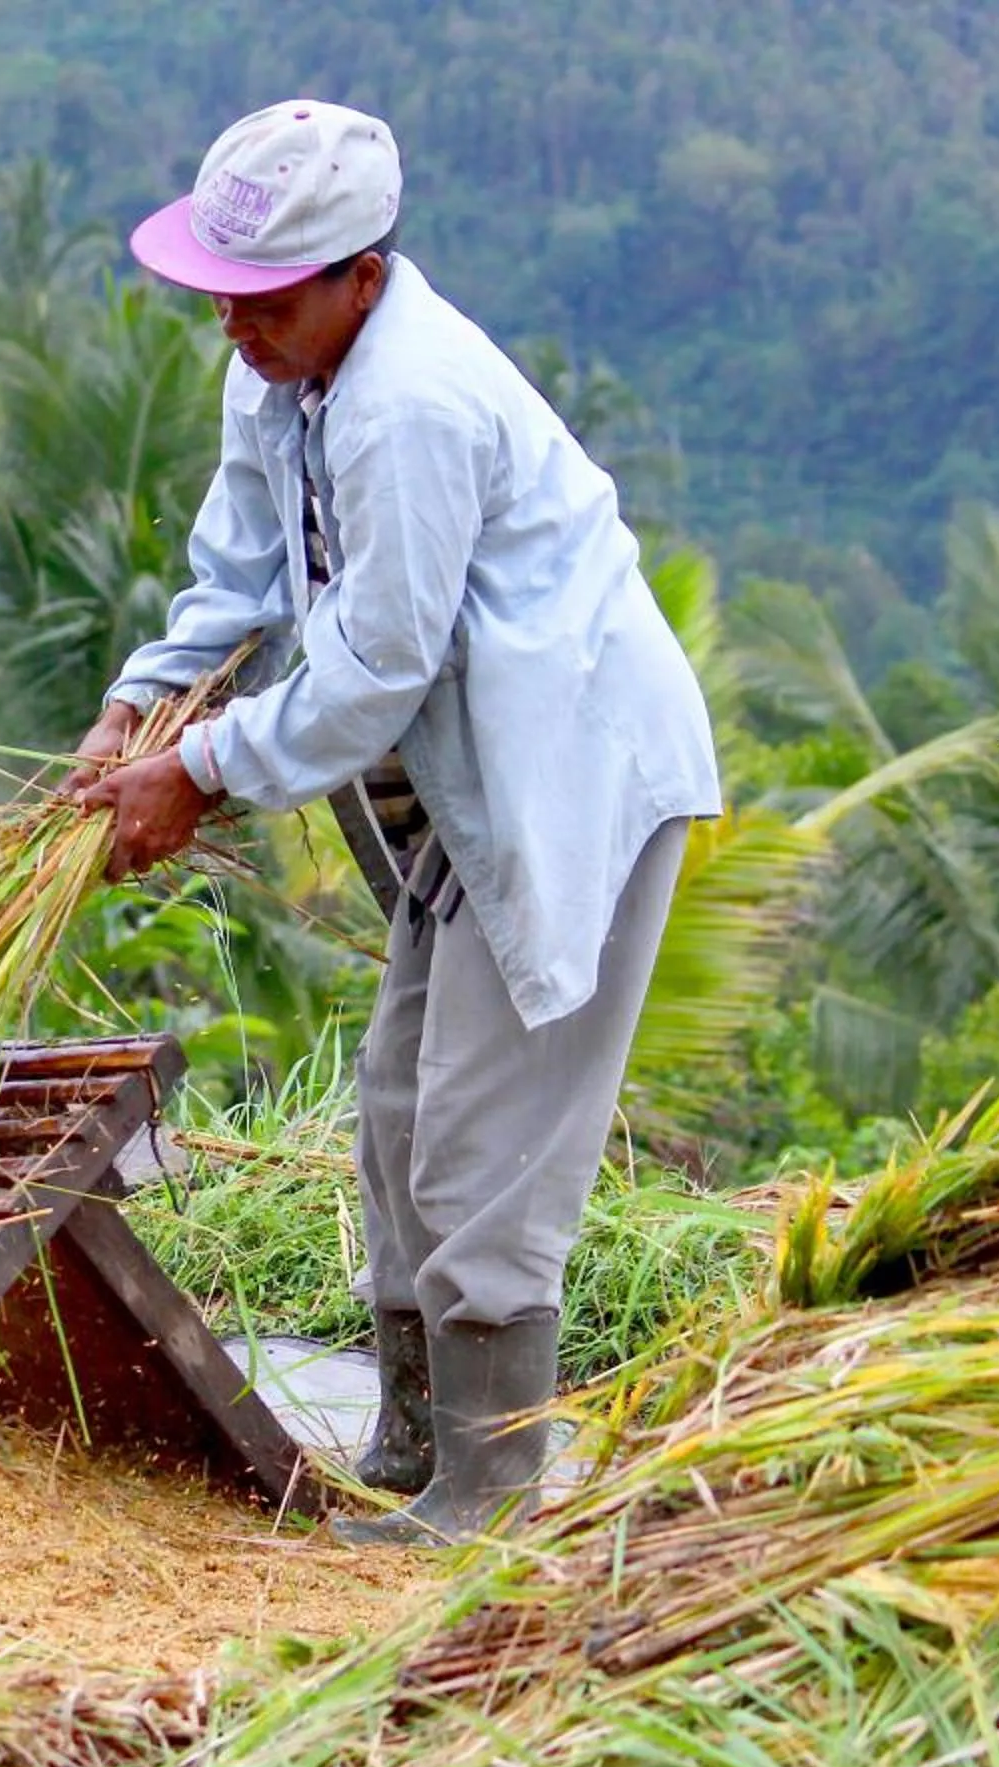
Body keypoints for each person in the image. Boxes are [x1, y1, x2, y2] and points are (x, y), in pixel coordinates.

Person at [70, 101, 721, 1544]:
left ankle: (487, 1494)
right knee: (398, 1115)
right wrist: (141, 706)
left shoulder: (410, 405)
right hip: (461, 799)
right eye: (224, 297)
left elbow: (374, 665)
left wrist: (202, 775)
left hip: (566, 789)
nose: (237, 325)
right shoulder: (281, 377)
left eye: (269, 298)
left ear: (362, 275)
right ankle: (414, 1442)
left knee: (484, 1146)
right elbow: (237, 574)